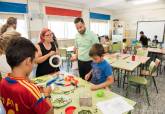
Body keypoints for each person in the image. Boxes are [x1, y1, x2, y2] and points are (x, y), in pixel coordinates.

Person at [0, 37, 54, 114]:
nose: (33, 64)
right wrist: (46, 95)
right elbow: (49, 112)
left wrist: (31, 85)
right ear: (28, 61)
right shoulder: (29, 89)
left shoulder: (3, 81)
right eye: (34, 61)